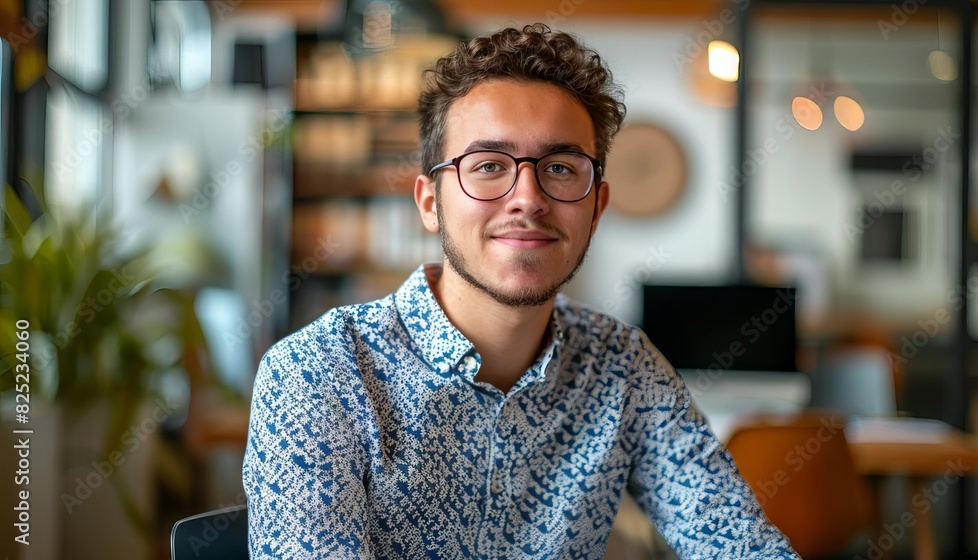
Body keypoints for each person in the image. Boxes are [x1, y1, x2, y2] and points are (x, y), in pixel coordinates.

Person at [243, 23, 800, 559]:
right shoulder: (319, 373)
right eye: (488, 165)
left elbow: (740, 543)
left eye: (559, 167)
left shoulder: (625, 369)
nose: (528, 197)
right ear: (430, 203)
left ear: (597, 208)